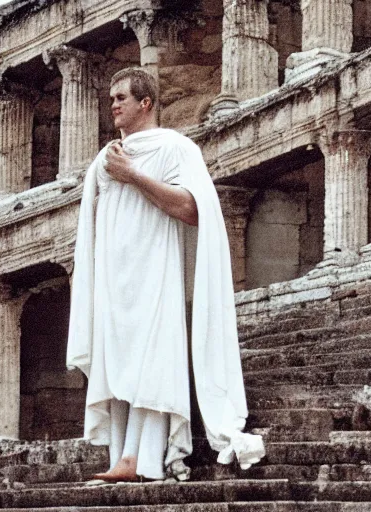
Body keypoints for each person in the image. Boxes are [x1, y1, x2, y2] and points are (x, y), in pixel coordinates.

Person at [66, 67, 264, 482]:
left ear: (146, 103)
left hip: (154, 266)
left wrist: (133, 176)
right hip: (114, 276)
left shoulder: (176, 147)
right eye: (111, 98)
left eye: (122, 97)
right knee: (117, 359)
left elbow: (193, 210)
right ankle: (121, 455)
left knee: (150, 358)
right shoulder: (105, 158)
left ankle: (143, 458)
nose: (113, 105)